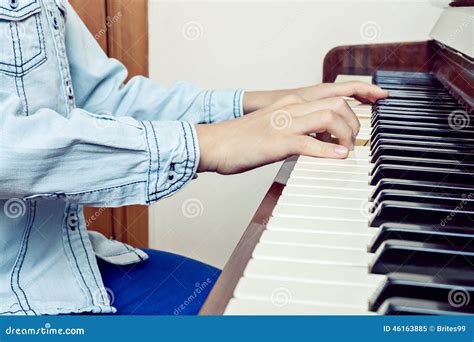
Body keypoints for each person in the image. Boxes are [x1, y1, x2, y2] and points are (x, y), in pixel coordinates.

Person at [0, 0, 388, 316]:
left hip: (69, 263)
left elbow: (106, 101)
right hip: (18, 304)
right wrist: (207, 144)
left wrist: (256, 106)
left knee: (263, 306)